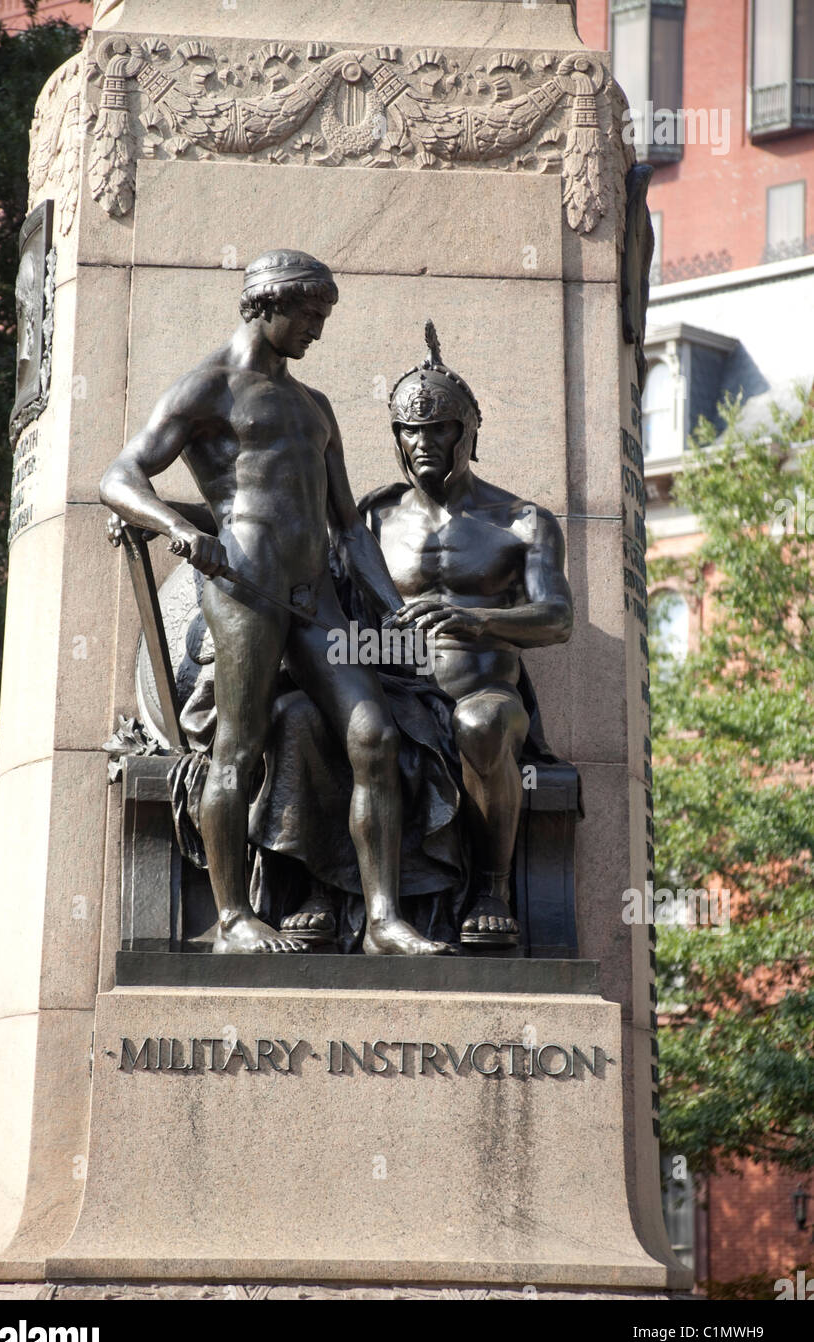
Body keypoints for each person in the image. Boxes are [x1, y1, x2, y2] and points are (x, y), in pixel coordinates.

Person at [100, 250, 452, 957]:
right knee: (238, 748)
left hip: (314, 595)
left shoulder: (313, 406)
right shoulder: (206, 389)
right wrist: (177, 528)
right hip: (242, 587)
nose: (317, 331)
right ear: (268, 306)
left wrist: (390, 607)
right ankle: (232, 919)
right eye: (311, 315)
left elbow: (349, 526)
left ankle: (383, 921)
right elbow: (120, 474)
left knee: (374, 736)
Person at [370, 322, 574, 941]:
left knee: (482, 726)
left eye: (440, 428)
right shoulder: (372, 518)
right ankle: (334, 893)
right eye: (411, 430)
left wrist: (477, 619)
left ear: (469, 432)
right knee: (325, 720)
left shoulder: (521, 522)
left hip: (483, 690)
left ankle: (492, 888)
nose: (425, 442)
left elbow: (559, 618)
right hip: (392, 688)